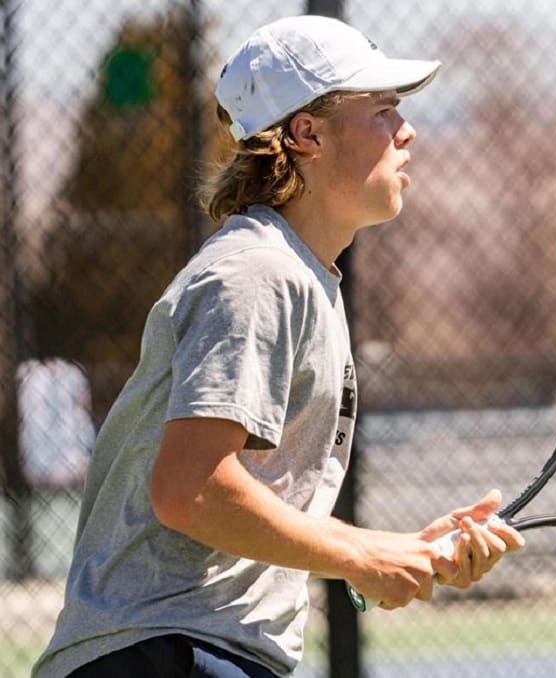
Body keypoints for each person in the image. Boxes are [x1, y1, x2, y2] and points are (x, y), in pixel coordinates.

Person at [33, 15, 523, 678]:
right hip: (164, 652)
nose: (406, 131)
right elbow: (191, 488)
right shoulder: (257, 273)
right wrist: (363, 555)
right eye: (382, 110)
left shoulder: (298, 276)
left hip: (189, 650)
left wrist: (395, 553)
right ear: (306, 133)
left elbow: (241, 506)